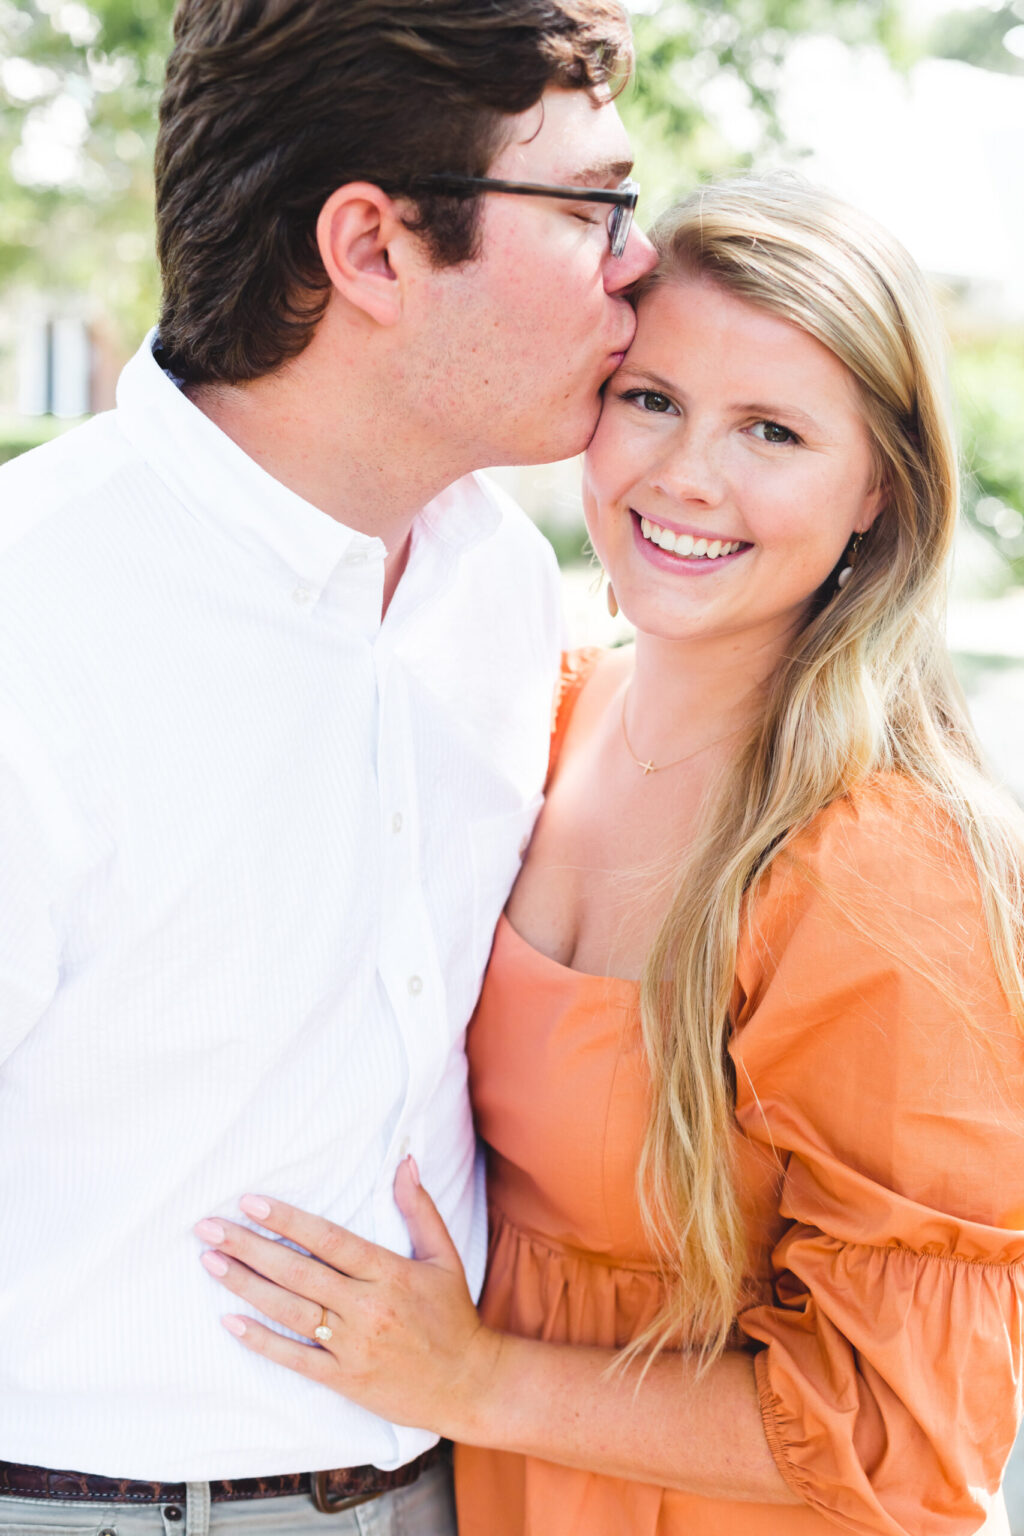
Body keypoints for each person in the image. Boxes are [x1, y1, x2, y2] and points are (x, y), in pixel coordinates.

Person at [196, 177, 1024, 1536]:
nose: (687, 476)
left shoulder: (880, 865)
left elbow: (899, 1435)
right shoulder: (544, 712)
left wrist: (470, 1378)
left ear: (879, 488)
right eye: (653, 400)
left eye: (773, 431)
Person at [0, 1, 658, 1532]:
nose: (641, 263)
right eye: (591, 207)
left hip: (452, 1492)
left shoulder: (500, 582)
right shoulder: (32, 615)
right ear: (372, 250)